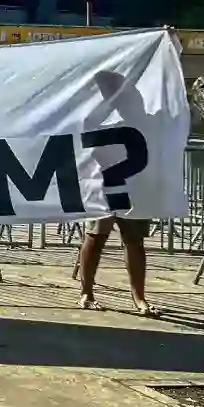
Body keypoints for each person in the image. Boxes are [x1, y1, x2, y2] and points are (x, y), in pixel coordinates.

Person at [76, 71, 159, 316]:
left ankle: (139, 297)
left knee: (134, 241)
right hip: (102, 187)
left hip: (134, 187)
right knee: (95, 237)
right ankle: (86, 293)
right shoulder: (97, 116)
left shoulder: (140, 116)